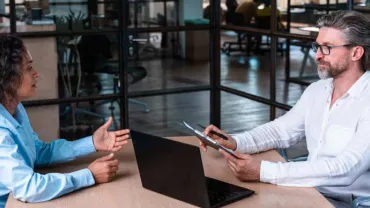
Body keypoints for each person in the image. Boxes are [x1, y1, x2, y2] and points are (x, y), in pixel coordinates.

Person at [200, 10, 370, 208]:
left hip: (351, 203)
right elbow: (281, 131)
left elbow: (346, 169)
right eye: (317, 46)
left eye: (327, 48)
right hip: (310, 190)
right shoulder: (318, 90)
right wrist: (235, 142)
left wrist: (264, 172)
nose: (317, 55)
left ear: (356, 53)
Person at [0, 35, 130, 207]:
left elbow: (38, 152)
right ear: (8, 78)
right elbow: (28, 188)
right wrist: (89, 175)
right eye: (29, 68)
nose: (36, 73)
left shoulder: (16, 109)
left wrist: (91, 142)